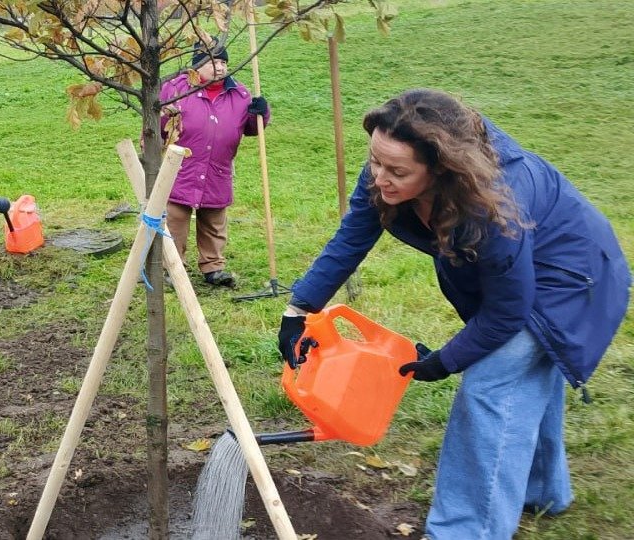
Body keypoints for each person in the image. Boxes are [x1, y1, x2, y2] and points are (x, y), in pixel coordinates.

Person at [277, 89, 630, 539]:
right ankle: (540, 490)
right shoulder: (386, 174)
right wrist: (299, 309)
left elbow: (507, 312)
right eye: (375, 161)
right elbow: (353, 236)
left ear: (442, 168)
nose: (379, 178)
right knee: (522, 379)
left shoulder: (492, 204)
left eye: (396, 171)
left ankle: (466, 530)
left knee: (491, 385)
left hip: (573, 280)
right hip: (521, 274)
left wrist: (447, 361)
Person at [159, 40, 271, 288]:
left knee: (214, 219)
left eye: (223, 62)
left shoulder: (239, 94)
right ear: (198, 65)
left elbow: (253, 129)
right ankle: (171, 267)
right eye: (213, 62)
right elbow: (157, 126)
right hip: (181, 167)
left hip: (217, 168)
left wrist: (261, 113)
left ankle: (213, 267)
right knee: (175, 218)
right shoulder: (176, 88)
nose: (220, 68)